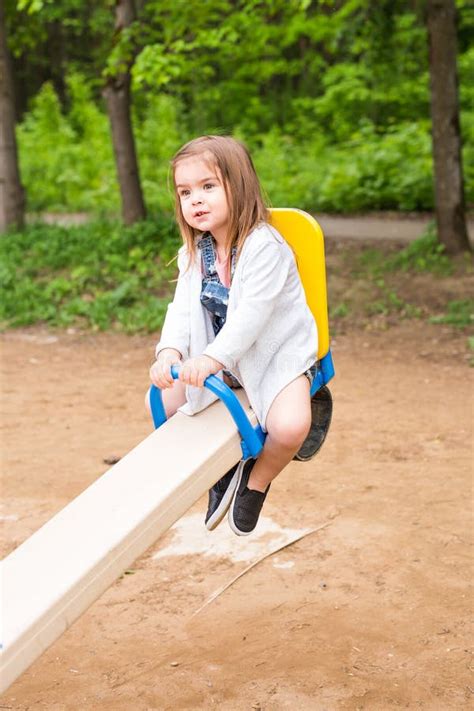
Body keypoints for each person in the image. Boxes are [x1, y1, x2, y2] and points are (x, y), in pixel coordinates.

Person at [149, 135, 317, 536]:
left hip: (272, 354)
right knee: (162, 401)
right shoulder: (195, 251)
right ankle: (218, 469)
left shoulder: (266, 248)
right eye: (186, 192)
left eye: (208, 187)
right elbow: (181, 309)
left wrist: (210, 359)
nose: (196, 200)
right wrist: (169, 351)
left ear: (238, 186)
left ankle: (256, 481)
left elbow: (251, 318)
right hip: (224, 361)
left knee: (291, 426)